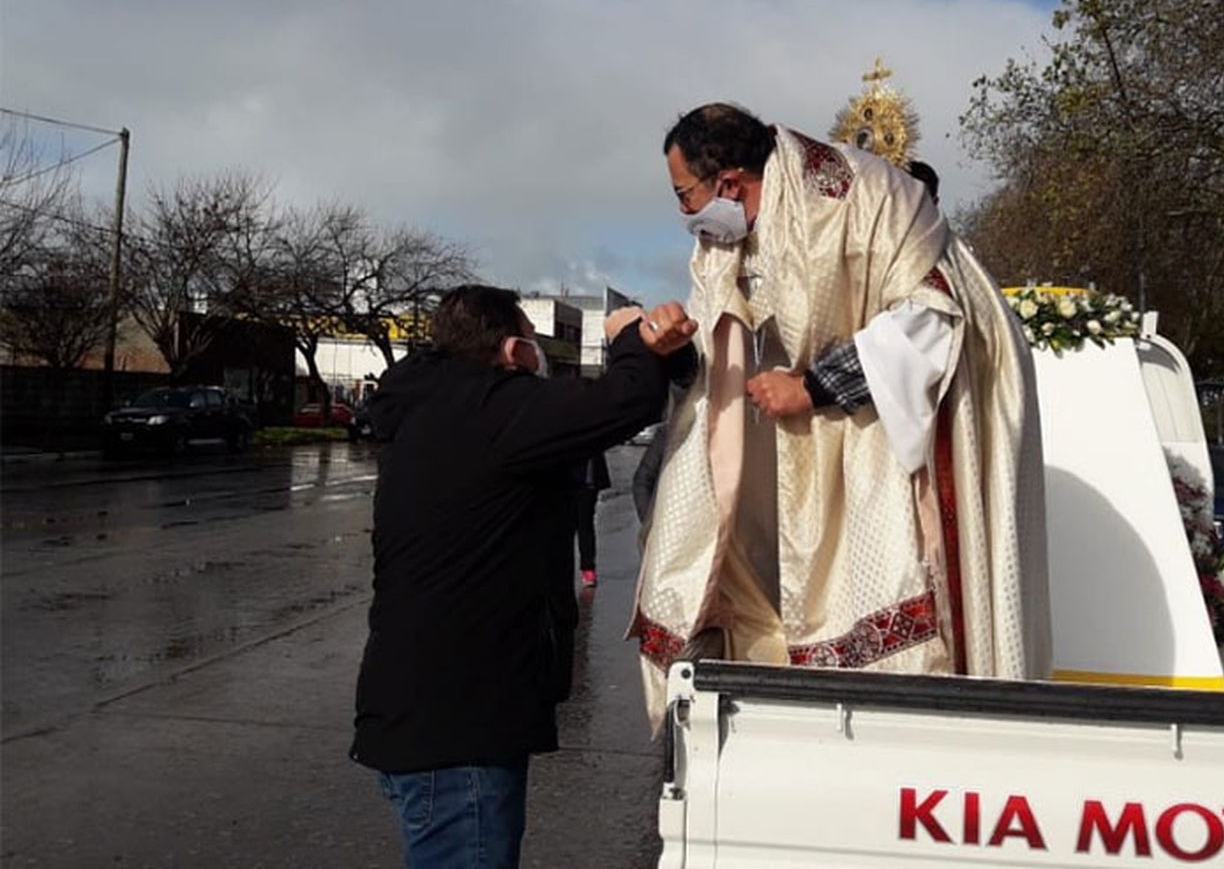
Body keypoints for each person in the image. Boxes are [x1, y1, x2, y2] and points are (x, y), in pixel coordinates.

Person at [631, 102, 1050, 725]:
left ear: (728, 183)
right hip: (793, 451)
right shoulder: (725, 243)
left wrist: (816, 388)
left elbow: (932, 318)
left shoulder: (858, 196)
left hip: (890, 422)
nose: (684, 214)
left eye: (684, 195)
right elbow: (722, 362)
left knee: (883, 590)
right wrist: (672, 348)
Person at [350, 284, 696, 869]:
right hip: (460, 729)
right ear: (513, 349)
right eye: (534, 347)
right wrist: (629, 336)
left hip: (427, 713)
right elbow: (626, 401)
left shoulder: (431, 408)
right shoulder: (492, 410)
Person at [572, 449, 611, 586]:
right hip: (565, 482)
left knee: (585, 525)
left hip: (587, 482)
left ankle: (588, 568)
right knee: (563, 529)